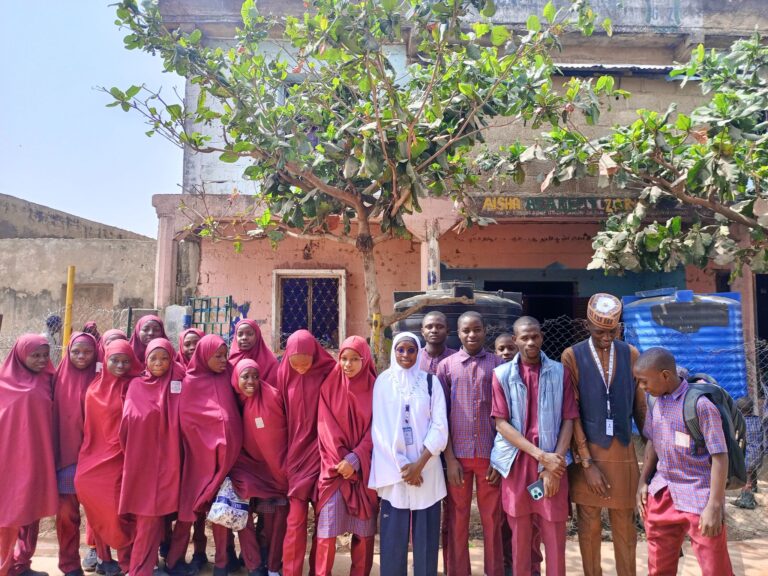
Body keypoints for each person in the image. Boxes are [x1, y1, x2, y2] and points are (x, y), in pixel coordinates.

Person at [561, 293, 646, 576]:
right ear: (587, 326)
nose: (607, 337)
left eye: (613, 331)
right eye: (600, 331)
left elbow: (641, 410)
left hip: (623, 454)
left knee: (625, 526)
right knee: (589, 526)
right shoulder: (572, 356)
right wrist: (586, 463)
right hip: (589, 455)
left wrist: (656, 455)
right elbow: (571, 413)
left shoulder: (632, 354)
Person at [634, 347, 733, 576]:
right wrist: (643, 481)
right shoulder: (653, 401)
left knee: (715, 568)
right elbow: (652, 441)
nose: (642, 387)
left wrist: (714, 506)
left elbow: (719, 455)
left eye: (643, 381)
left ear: (665, 375)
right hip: (662, 492)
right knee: (659, 567)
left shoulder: (700, 405)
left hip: (699, 496)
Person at [491, 316, 577, 576]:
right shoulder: (501, 374)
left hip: (554, 463)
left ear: (541, 337)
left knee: (553, 531)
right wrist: (541, 456)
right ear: (515, 340)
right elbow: (501, 424)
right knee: (520, 533)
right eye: (524, 337)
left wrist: (553, 465)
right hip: (518, 463)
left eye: (535, 336)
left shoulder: (560, 372)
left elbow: (569, 419)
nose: (531, 342)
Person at [369, 332, 449, 576]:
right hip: (395, 471)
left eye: (411, 350)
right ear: (394, 351)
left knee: (426, 536)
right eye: (400, 350)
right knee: (393, 537)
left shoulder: (430, 382)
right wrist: (405, 468)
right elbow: (380, 429)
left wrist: (419, 465)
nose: (405, 355)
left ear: (418, 352)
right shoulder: (383, 382)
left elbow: (440, 426)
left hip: (427, 469)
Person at [164, 334, 243, 576]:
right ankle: (173, 561)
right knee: (188, 513)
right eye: (217, 356)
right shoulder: (190, 381)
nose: (222, 360)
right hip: (198, 460)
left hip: (225, 460)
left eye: (224, 355)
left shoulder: (228, 375)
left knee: (220, 510)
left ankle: (221, 563)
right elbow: (187, 421)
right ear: (204, 356)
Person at [437, 312, 503, 576]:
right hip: (458, 459)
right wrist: (450, 459)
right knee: (457, 518)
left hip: (489, 457)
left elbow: (505, 416)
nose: (472, 335)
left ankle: (494, 570)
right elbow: (441, 417)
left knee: (492, 519)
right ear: (458, 333)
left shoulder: (498, 365)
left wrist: (499, 459)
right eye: (466, 331)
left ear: (485, 331)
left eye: (477, 330)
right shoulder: (447, 366)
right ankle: (457, 571)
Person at [75, 340, 143, 576]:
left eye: (126, 360)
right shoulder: (93, 390)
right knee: (96, 506)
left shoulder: (135, 385)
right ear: (105, 360)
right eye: (115, 360)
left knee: (120, 512)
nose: (121, 365)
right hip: (94, 458)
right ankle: (104, 558)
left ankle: (126, 563)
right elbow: (90, 429)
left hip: (123, 459)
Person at [119, 339, 183, 576]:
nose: (159, 363)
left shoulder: (178, 383)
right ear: (145, 360)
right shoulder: (136, 385)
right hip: (140, 461)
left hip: (169, 460)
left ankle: (143, 567)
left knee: (156, 517)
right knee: (147, 516)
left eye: (164, 358)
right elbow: (127, 423)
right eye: (153, 358)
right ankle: (139, 569)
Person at [315, 336, 378, 576]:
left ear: (366, 360)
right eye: (343, 358)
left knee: (363, 532)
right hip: (334, 470)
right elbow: (325, 427)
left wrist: (356, 459)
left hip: (364, 470)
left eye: (354, 359)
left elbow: (378, 428)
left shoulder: (376, 388)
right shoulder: (329, 385)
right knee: (327, 531)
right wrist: (341, 462)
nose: (348, 365)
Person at [277, 330, 336, 576]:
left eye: (305, 363)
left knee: (325, 523)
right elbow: (278, 417)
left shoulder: (330, 371)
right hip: (295, 460)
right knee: (295, 522)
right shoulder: (283, 374)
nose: (300, 369)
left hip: (324, 457)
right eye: (294, 363)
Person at [0, 335, 57, 576]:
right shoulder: (3, 384)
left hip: (39, 455)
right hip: (9, 459)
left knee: (32, 511)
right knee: (9, 514)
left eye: (45, 355)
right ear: (21, 355)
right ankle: (4, 566)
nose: (42, 360)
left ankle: (22, 563)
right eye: (35, 355)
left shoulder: (49, 380)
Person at [229, 359, 290, 576]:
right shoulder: (232, 398)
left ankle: (272, 564)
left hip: (271, 469)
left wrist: (280, 475)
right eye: (245, 376)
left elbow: (275, 440)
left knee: (274, 516)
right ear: (236, 378)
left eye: (255, 376)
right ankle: (253, 563)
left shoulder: (270, 397)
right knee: (241, 513)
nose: (251, 381)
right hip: (243, 467)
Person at [53, 332, 100, 576]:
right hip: (66, 459)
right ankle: (69, 563)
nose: (81, 356)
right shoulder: (56, 379)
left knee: (98, 513)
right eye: (76, 352)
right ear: (68, 352)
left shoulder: (102, 378)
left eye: (87, 352)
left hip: (95, 459)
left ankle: (101, 555)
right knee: (67, 516)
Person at [417, 311, 455, 572]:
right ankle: (424, 560)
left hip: (453, 443)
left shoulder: (455, 358)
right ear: (422, 331)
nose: (434, 330)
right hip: (421, 447)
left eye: (439, 326)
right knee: (423, 506)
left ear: (447, 330)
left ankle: (451, 564)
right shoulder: (411, 356)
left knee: (451, 509)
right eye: (429, 326)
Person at [494, 332, 532, 576]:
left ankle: (529, 565)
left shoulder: (526, 377)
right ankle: (507, 563)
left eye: (510, 348)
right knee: (502, 519)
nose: (506, 353)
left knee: (527, 520)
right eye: (501, 349)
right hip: (500, 459)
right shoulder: (497, 377)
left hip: (525, 458)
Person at [732, 396, 762, 509]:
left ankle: (747, 500)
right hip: (758, 454)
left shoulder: (741, 422)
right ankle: (754, 489)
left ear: (739, 410)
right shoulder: (757, 420)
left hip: (748, 457)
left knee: (746, 478)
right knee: (752, 472)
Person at [229, 319, 279, 385]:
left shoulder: (270, 363)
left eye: (250, 334)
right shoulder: (230, 361)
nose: (244, 338)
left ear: (257, 336)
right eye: (240, 334)